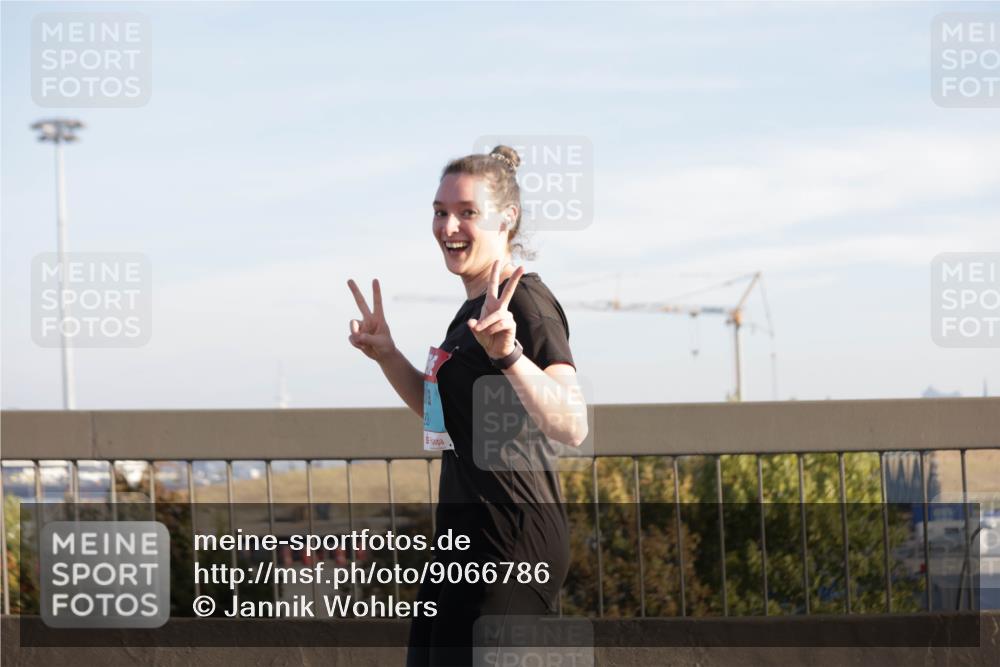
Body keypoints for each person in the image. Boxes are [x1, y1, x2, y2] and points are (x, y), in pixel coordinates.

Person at [347, 145, 588, 666]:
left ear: (508, 219)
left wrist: (511, 356)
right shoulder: (470, 314)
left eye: (467, 213)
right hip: (461, 545)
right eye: (440, 211)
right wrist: (388, 356)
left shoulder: (525, 304)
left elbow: (572, 424)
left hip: (511, 544)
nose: (448, 226)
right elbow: (445, 420)